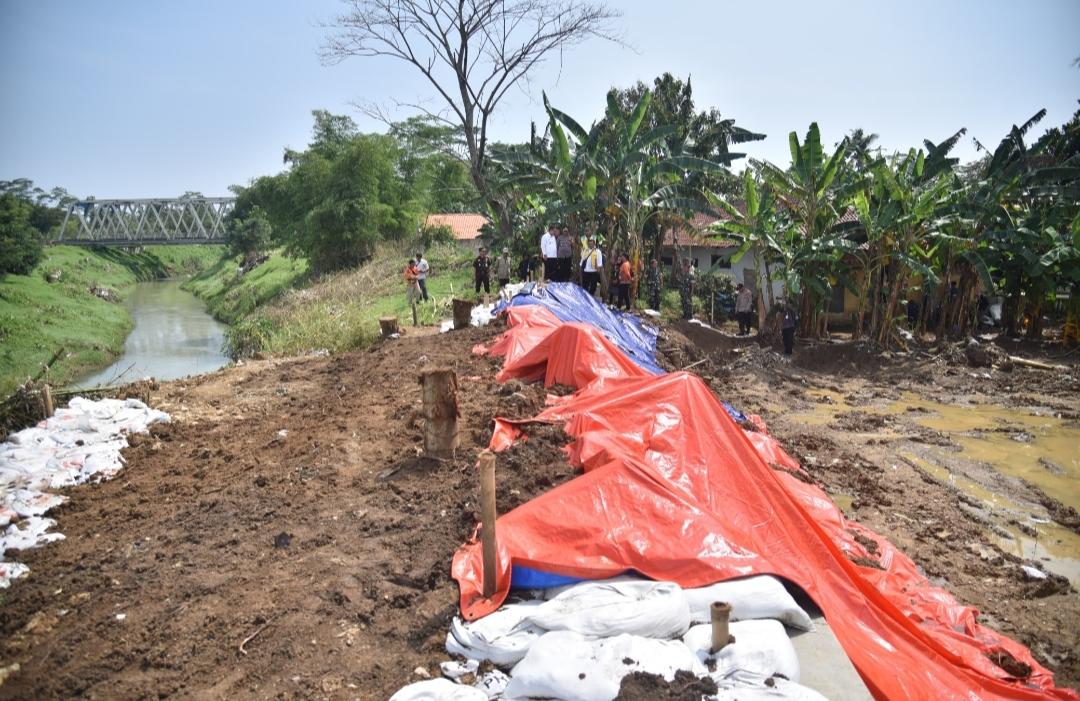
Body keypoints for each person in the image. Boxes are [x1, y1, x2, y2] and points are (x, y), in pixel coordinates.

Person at [403, 258, 420, 324]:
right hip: (410, 283)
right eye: (413, 263)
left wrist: (416, 277)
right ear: (410, 264)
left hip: (416, 282)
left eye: (414, 263)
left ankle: (417, 301)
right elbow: (406, 276)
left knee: (418, 292)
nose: (414, 264)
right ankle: (410, 303)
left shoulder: (415, 268)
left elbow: (418, 274)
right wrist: (412, 277)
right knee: (410, 294)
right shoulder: (407, 270)